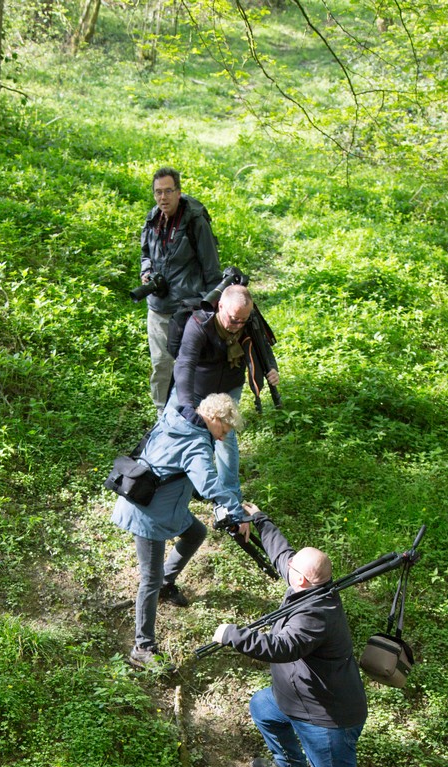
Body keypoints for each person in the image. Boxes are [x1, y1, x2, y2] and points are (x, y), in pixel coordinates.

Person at [212, 503, 384, 767]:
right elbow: (282, 554)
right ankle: (290, 762)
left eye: (292, 572)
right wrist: (259, 520)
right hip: (292, 697)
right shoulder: (308, 583)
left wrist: (232, 636)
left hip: (326, 718)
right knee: (261, 707)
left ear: (303, 581)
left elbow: (281, 648)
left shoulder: (315, 615)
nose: (284, 569)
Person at [112, 393, 249, 666]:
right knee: (148, 579)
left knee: (196, 533)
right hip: (149, 515)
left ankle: (167, 582)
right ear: (214, 420)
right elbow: (208, 484)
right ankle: (142, 648)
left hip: (161, 505)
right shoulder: (196, 444)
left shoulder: (175, 418)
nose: (223, 437)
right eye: (224, 429)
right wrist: (237, 511)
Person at [170, 284, 280, 498]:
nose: (237, 325)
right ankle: (179, 487)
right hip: (196, 387)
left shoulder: (248, 322)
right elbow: (185, 363)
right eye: (233, 319)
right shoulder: (200, 324)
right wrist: (186, 405)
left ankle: (230, 494)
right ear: (220, 306)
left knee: (225, 439)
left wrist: (272, 368)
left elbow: (263, 346)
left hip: (229, 387)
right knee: (186, 433)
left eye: (243, 320)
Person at [140, 167, 223, 414]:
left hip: (189, 309)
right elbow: (145, 255)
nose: (162, 197)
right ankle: (162, 415)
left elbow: (211, 269)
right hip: (158, 307)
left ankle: (195, 415)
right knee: (161, 365)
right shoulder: (152, 219)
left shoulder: (195, 221)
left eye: (168, 191)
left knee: (190, 364)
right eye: (158, 192)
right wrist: (146, 272)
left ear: (178, 191)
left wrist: (211, 310)